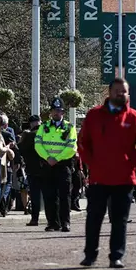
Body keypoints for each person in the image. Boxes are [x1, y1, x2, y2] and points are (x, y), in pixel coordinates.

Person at [78, 78, 136, 268]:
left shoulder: (135, 118)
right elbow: (83, 142)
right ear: (109, 92)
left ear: (128, 94)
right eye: (117, 90)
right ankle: (90, 255)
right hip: (99, 178)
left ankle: (116, 256)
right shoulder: (94, 115)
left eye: (124, 91)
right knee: (94, 219)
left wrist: (130, 163)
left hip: (124, 178)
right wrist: (92, 163)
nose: (121, 94)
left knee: (119, 221)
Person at [35, 97, 78, 232]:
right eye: (54, 111)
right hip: (47, 165)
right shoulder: (43, 127)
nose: (56, 113)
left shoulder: (70, 127)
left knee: (64, 195)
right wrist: (47, 157)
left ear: (63, 113)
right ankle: (52, 223)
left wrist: (57, 158)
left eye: (59, 111)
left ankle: (65, 222)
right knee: (49, 195)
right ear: (51, 112)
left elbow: (72, 147)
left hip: (63, 165)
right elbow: (37, 144)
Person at [19, 115, 44, 226]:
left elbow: (21, 150)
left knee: (35, 195)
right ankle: (53, 220)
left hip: (32, 169)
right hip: (47, 168)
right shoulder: (46, 134)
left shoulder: (28, 135)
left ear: (31, 124)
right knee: (50, 195)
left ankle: (35, 219)